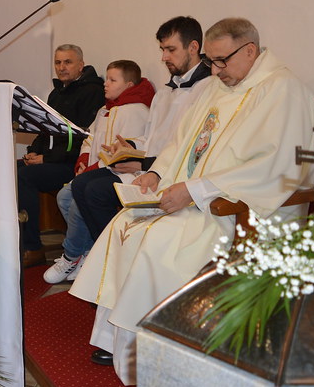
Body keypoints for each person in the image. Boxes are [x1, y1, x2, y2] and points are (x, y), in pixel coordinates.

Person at [70, 18, 314, 384]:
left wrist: (195, 191)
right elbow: (183, 141)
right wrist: (158, 173)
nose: (215, 71)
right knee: (126, 223)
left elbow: (278, 167)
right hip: (196, 196)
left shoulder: (284, 91)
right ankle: (120, 340)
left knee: (159, 240)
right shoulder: (220, 86)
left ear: (250, 50)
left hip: (241, 209)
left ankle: (154, 352)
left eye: (221, 61)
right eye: (211, 61)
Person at [57, 16, 213, 288]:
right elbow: (152, 136)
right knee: (81, 185)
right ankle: (109, 257)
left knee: (95, 192)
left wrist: (144, 164)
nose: (164, 57)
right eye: (162, 49)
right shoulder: (165, 92)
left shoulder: (207, 89)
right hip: (148, 165)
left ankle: (120, 261)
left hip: (170, 174)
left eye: (170, 49)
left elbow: (191, 147)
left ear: (193, 47)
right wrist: (130, 146)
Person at [44, 60, 154, 284]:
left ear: (129, 84)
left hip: (123, 174)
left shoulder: (136, 111)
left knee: (77, 200)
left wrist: (92, 169)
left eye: (113, 80)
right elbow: (90, 138)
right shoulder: (106, 109)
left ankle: (72, 255)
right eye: (107, 78)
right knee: (64, 196)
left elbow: (129, 151)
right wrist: (84, 161)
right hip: (97, 169)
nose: (106, 83)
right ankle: (87, 252)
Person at [17, 44, 104, 267]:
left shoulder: (92, 92)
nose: (61, 67)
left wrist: (46, 159)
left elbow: (82, 137)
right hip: (53, 160)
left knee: (24, 177)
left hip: (73, 164)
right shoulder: (56, 93)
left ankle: (33, 247)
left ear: (81, 65)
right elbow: (45, 129)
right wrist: (33, 151)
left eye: (68, 62)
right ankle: (17, 238)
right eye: (58, 62)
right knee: (13, 169)